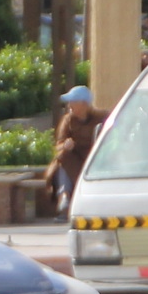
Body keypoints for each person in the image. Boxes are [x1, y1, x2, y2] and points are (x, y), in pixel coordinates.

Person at [45, 85, 106, 217]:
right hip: (73, 158)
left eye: (73, 101)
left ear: (84, 103)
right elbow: (59, 144)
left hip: (94, 158)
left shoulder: (101, 117)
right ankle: (64, 197)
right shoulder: (68, 120)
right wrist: (65, 145)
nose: (69, 105)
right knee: (63, 157)